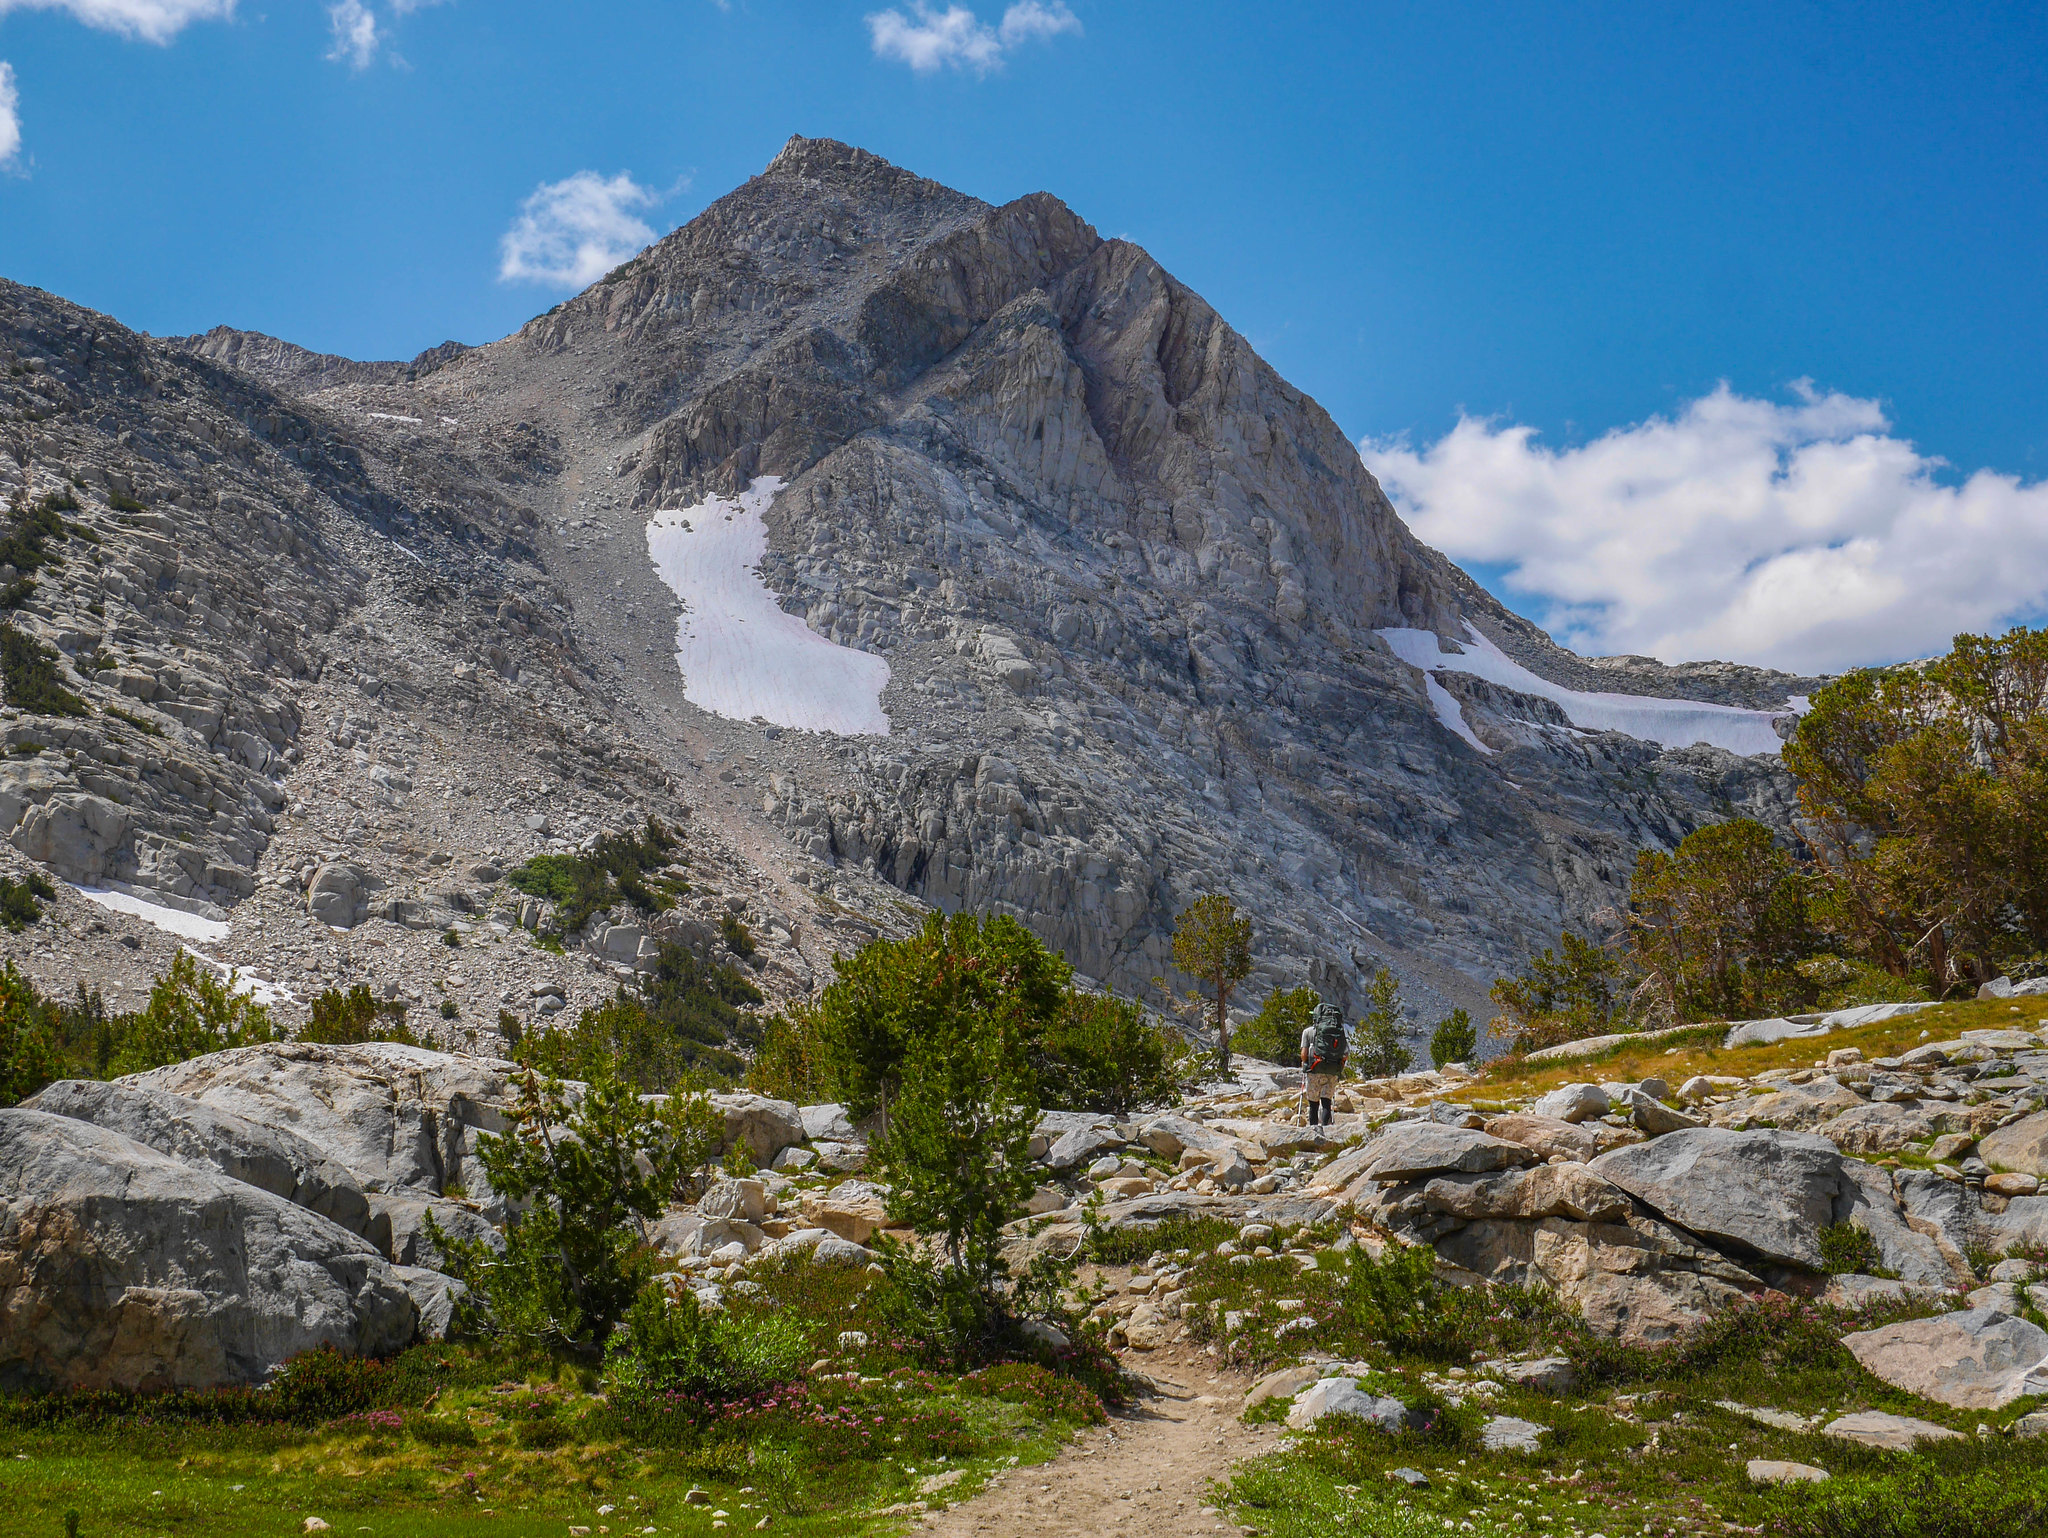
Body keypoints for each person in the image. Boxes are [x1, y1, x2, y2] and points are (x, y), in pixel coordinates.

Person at [1300, 1001, 1346, 1126]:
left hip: (1314, 1068)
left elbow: (1304, 1054)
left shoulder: (1308, 1032)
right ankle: (1326, 1128)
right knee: (1326, 1102)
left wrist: (1304, 1064)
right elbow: (1345, 1054)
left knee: (1313, 1104)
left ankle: (1314, 1131)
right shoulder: (1339, 1032)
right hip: (1332, 1070)